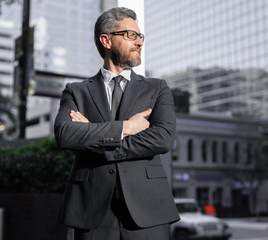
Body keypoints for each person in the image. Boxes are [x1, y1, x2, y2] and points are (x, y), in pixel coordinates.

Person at [54, 7, 180, 240]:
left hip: (148, 211)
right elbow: (66, 134)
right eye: (131, 35)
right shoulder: (76, 91)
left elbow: (162, 139)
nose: (139, 42)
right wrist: (127, 128)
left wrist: (98, 143)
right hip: (91, 212)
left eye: (140, 36)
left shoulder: (157, 88)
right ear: (106, 40)